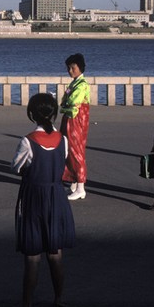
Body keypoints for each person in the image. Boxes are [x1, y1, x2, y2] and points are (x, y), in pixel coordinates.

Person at [6, 93, 75, 307]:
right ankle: (59, 299)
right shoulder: (62, 139)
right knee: (55, 254)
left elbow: (16, 167)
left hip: (34, 197)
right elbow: (64, 162)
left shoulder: (28, 141)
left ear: (32, 114)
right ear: (54, 113)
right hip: (56, 196)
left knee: (32, 256)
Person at [60, 53, 90, 200]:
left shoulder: (82, 85)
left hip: (76, 120)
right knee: (68, 150)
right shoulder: (74, 84)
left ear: (80, 67)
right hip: (70, 118)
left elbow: (72, 102)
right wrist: (65, 105)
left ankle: (80, 186)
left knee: (76, 151)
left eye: (73, 68)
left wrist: (64, 106)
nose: (70, 71)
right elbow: (65, 101)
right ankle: (72, 182)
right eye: (69, 68)